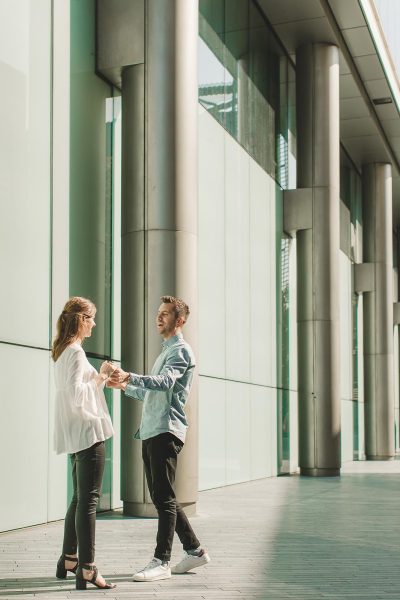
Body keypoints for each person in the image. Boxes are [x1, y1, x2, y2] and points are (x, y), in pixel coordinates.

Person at [107, 295, 210, 582]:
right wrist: (124, 385)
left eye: (165, 314)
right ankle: (195, 551)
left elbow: (165, 383)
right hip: (153, 429)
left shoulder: (180, 351)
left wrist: (130, 375)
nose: (159, 317)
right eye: (158, 313)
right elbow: (151, 393)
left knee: (163, 498)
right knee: (163, 497)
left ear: (180, 320)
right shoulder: (166, 351)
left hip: (166, 430)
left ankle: (161, 561)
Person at [52, 296, 116, 590]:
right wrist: (101, 377)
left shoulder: (64, 352)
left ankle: (68, 559)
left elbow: (71, 393)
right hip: (89, 435)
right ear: (81, 320)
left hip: (77, 436)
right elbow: (78, 396)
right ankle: (88, 568)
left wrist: (100, 377)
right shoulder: (76, 353)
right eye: (91, 319)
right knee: (88, 501)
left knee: (79, 499)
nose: (94, 324)